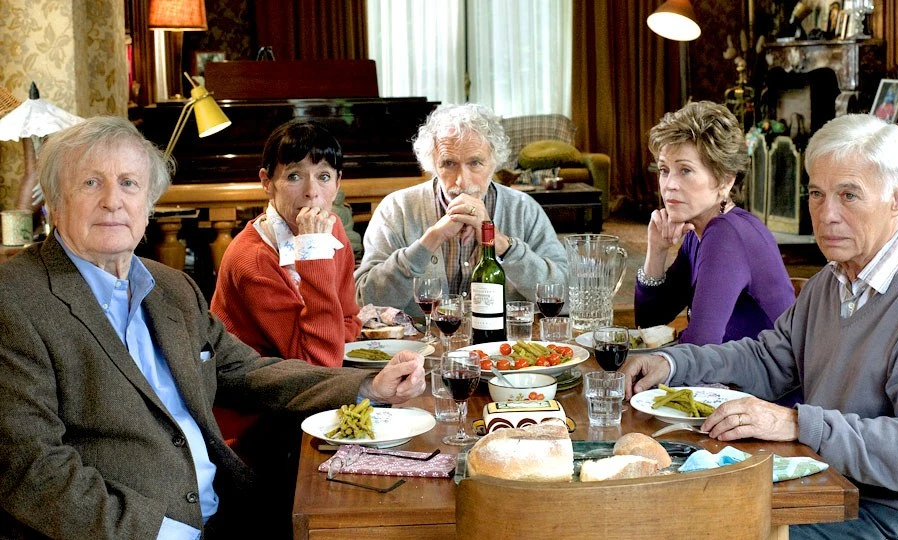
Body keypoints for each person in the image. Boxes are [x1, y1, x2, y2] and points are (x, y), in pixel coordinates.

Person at [0, 116, 426, 539]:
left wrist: (368, 387)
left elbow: (246, 371)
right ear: (54, 202)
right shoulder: (14, 302)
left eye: (129, 183)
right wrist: (168, 535)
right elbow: (32, 469)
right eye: (91, 183)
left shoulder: (171, 287)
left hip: (230, 506)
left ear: (149, 203)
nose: (113, 201)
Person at [621, 114, 898, 538]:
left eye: (849, 195)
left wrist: (799, 424)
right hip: (818, 482)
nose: (827, 214)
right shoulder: (831, 281)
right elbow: (767, 358)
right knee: (664, 512)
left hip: (889, 515)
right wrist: (672, 364)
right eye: (817, 194)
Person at [355, 103, 567, 316]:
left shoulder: (524, 210)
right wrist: (430, 241)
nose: (462, 181)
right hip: (420, 338)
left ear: (494, 162)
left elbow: (566, 297)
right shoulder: (396, 209)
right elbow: (364, 302)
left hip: (503, 337)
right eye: (448, 163)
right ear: (432, 164)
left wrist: (503, 245)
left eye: (475, 163)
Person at [635, 101, 795, 346]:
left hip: (761, 373)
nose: (669, 185)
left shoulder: (726, 234)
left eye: (685, 170)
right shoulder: (696, 235)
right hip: (726, 370)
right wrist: (656, 250)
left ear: (725, 181)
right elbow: (648, 326)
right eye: (664, 170)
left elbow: (699, 346)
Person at [211, 118, 362, 368]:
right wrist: (313, 250)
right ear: (267, 182)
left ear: (337, 184)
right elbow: (316, 364)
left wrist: (332, 343)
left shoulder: (331, 227)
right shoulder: (252, 258)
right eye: (294, 176)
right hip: (254, 383)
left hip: (309, 376)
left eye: (324, 176)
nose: (312, 191)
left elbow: (348, 319)